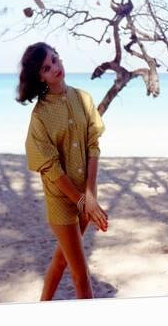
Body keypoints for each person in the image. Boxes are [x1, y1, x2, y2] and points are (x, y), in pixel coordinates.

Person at [16, 42, 108, 300]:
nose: (55, 68)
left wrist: (89, 197)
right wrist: (81, 201)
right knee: (81, 277)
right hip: (61, 200)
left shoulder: (84, 98)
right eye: (46, 67)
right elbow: (50, 168)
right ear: (39, 76)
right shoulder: (40, 117)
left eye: (55, 60)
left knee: (61, 262)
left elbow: (93, 146)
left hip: (85, 197)